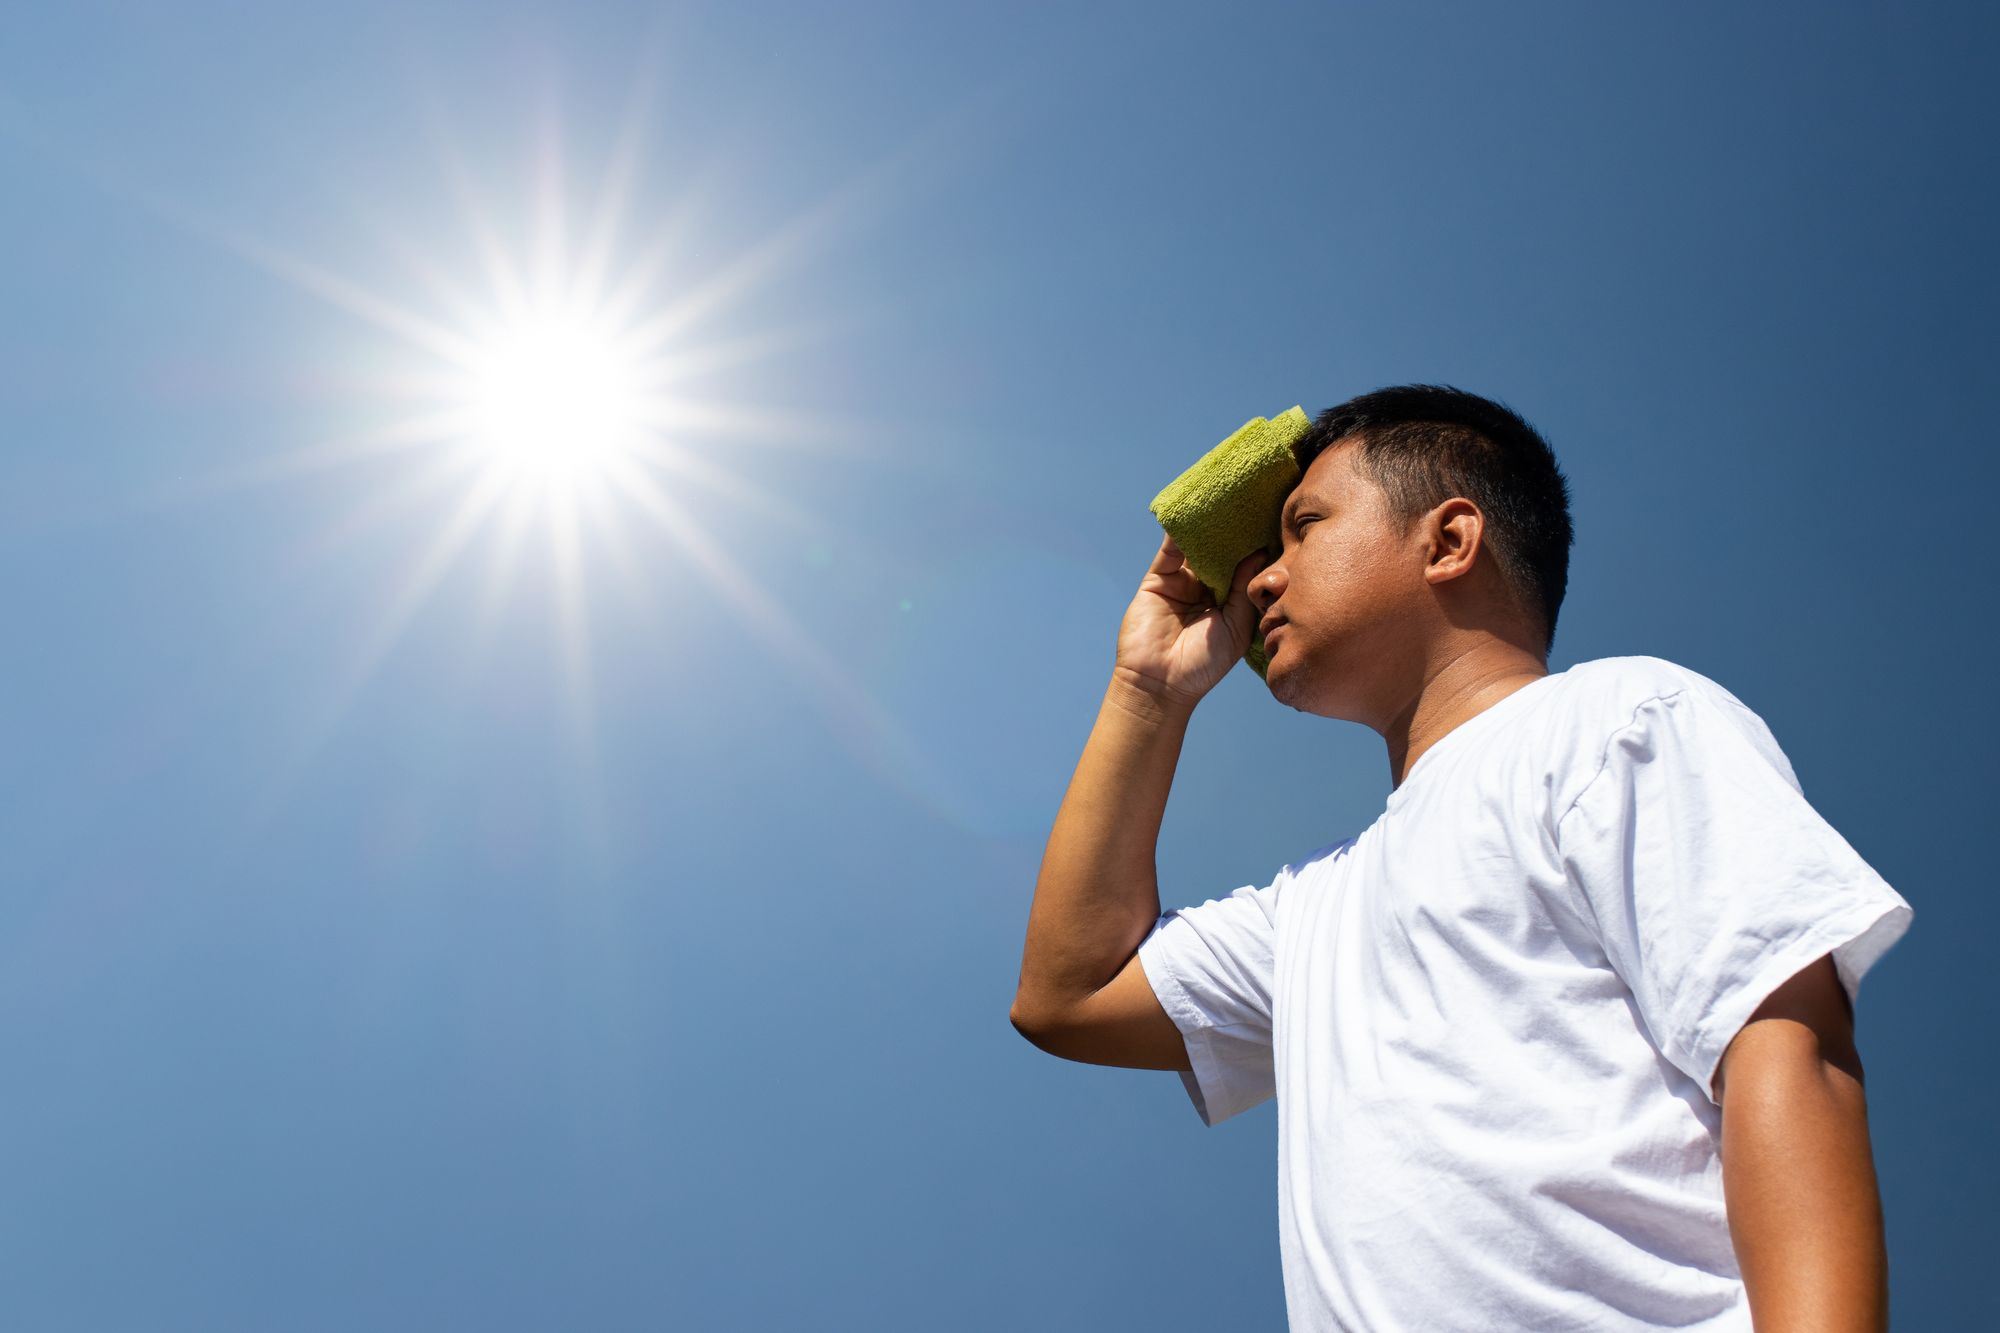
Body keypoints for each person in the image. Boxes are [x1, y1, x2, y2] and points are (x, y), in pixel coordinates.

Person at [1008, 385, 1913, 1332]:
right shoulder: (1313, 907)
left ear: (1449, 540)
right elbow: (1068, 994)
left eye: (1303, 528)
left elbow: (1785, 1044)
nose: (1263, 580)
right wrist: (1148, 690)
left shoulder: (1617, 720)